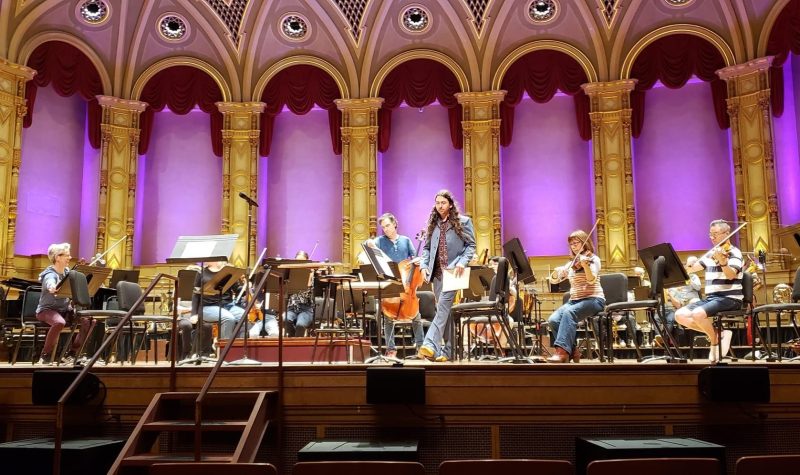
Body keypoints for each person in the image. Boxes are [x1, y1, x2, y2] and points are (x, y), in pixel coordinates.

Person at [417, 190, 476, 362]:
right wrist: (423, 266)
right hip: (436, 274)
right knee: (445, 311)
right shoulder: (433, 224)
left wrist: (461, 262)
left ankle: (429, 344)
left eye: (443, 202)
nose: (440, 205)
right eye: (437, 203)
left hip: (454, 271)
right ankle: (448, 351)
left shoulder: (463, 222)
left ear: (450, 204)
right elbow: (427, 248)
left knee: (442, 307)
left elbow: (471, 246)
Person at [676, 219, 743, 362]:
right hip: (712, 298)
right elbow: (693, 269)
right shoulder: (711, 253)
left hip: (730, 298)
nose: (712, 238)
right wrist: (689, 265)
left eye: (715, 234)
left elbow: (731, 275)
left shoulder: (734, 252)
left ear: (727, 233)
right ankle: (717, 334)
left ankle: (713, 343)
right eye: (710, 234)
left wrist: (723, 262)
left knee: (698, 314)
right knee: (680, 315)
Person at [368, 213, 425, 358]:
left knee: (416, 317)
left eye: (387, 225)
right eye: (383, 227)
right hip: (389, 283)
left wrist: (418, 260)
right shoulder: (380, 241)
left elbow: (415, 257)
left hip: (406, 284)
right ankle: (391, 349)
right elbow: (372, 250)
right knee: (388, 317)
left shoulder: (405, 241)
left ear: (394, 224)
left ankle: (420, 347)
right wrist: (370, 244)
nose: (385, 229)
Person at [546, 230, 605, 363]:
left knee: (568, 313)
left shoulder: (593, 259)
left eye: (576, 243)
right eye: (571, 244)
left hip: (594, 300)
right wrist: (557, 272)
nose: (573, 246)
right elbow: (554, 280)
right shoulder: (571, 264)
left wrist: (586, 266)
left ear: (585, 243)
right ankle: (573, 351)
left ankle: (561, 352)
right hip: (575, 301)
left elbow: (591, 280)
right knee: (553, 320)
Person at [36, 243, 96, 365]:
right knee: (59, 322)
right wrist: (52, 287)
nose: (69, 257)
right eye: (67, 255)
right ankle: (45, 355)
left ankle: (72, 354)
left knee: (89, 321)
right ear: (57, 257)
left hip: (64, 310)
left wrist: (81, 272)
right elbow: (50, 282)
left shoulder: (68, 272)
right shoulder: (50, 273)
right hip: (46, 311)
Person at [191, 260, 247, 343]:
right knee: (228, 318)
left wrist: (245, 287)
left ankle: (236, 346)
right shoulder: (201, 272)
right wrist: (193, 314)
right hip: (207, 307)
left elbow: (237, 289)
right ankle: (224, 349)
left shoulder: (227, 272)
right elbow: (196, 294)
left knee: (244, 316)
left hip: (227, 305)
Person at [655, 256, 701, 348]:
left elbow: (698, 287)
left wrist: (689, 278)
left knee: (694, 302)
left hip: (690, 301)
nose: (687, 267)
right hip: (677, 303)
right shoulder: (677, 278)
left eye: (689, 266)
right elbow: (672, 292)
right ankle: (661, 337)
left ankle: (664, 337)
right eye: (687, 266)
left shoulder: (694, 276)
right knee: (658, 314)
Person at [285, 250, 316, 337]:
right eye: (297, 261)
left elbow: (309, 289)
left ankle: (297, 345)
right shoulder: (290, 274)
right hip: (292, 308)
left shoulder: (312, 274)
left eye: (302, 261)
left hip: (306, 309)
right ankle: (292, 340)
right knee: (284, 319)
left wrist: (310, 275)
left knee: (300, 325)